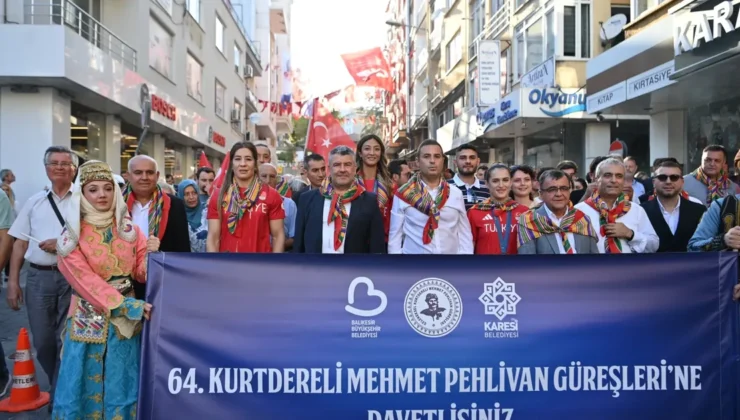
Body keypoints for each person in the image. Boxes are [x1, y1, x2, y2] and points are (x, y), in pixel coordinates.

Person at [53, 160, 152, 419]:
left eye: (108, 188)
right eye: (93, 189)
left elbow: (140, 273)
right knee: (83, 383)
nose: (102, 195)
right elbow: (82, 279)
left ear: (116, 191)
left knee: (124, 383)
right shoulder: (72, 234)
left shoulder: (130, 229)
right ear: (82, 195)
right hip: (90, 316)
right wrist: (127, 306)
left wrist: (152, 257)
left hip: (125, 325)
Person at [7, 146, 78, 406]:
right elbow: (19, 244)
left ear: (74, 168)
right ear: (46, 168)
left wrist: (62, 244)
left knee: (68, 339)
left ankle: (60, 395)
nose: (60, 167)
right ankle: (57, 382)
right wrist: (13, 282)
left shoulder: (84, 200)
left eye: (65, 163)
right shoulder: (35, 200)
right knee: (44, 341)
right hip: (38, 278)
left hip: (74, 278)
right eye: (54, 163)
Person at [294, 146, 385, 254]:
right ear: (329, 168)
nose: (342, 170)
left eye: (347, 164)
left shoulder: (369, 201)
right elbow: (298, 244)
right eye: (337, 165)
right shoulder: (306, 199)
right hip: (315, 268)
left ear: (355, 168)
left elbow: (377, 245)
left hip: (354, 269)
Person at [389, 139, 473, 254]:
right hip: (414, 268)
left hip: (450, 267)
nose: (432, 161)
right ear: (418, 162)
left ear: (443, 161)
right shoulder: (403, 194)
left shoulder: (455, 193)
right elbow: (395, 237)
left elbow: (465, 234)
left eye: (437, 156)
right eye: (427, 156)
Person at [125, 155, 191, 299]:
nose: (144, 177)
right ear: (128, 176)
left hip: (162, 281)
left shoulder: (174, 205)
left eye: (149, 172)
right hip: (124, 282)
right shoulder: (117, 205)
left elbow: (182, 248)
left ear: (157, 175)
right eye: (138, 173)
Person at [207, 142, 285, 253]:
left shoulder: (271, 195)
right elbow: (213, 238)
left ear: (255, 164)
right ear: (231, 164)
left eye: (248, 159)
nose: (243, 164)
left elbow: (278, 236)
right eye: (238, 159)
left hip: (260, 266)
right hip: (227, 266)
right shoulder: (218, 196)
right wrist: (214, 268)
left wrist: (274, 267)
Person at [518, 170, 599, 254]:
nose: (559, 194)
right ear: (541, 194)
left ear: (569, 191)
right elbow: (528, 263)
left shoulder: (582, 219)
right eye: (552, 189)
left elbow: (594, 261)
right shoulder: (529, 221)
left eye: (564, 189)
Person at [467, 164, 529, 255]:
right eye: (495, 181)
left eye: (505, 180)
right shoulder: (474, 212)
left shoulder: (525, 212)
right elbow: (469, 248)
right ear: (487, 184)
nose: (501, 185)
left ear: (511, 182)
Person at [355, 134, 393, 239]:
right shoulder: (351, 183)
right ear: (360, 153)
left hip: (382, 239)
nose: (372, 153)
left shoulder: (389, 185)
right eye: (367, 149)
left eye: (376, 149)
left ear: (381, 153)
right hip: (355, 240)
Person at [259, 163, 297, 251]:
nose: (268, 180)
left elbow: (294, 237)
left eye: (272, 176)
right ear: (257, 178)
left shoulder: (289, 204)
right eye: (264, 176)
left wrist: (276, 248)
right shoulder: (248, 203)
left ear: (277, 180)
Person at [177, 179, 208, 252]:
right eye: (187, 194)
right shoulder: (177, 215)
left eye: (194, 193)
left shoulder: (207, 211)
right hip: (186, 260)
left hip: (208, 259)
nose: (191, 197)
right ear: (181, 196)